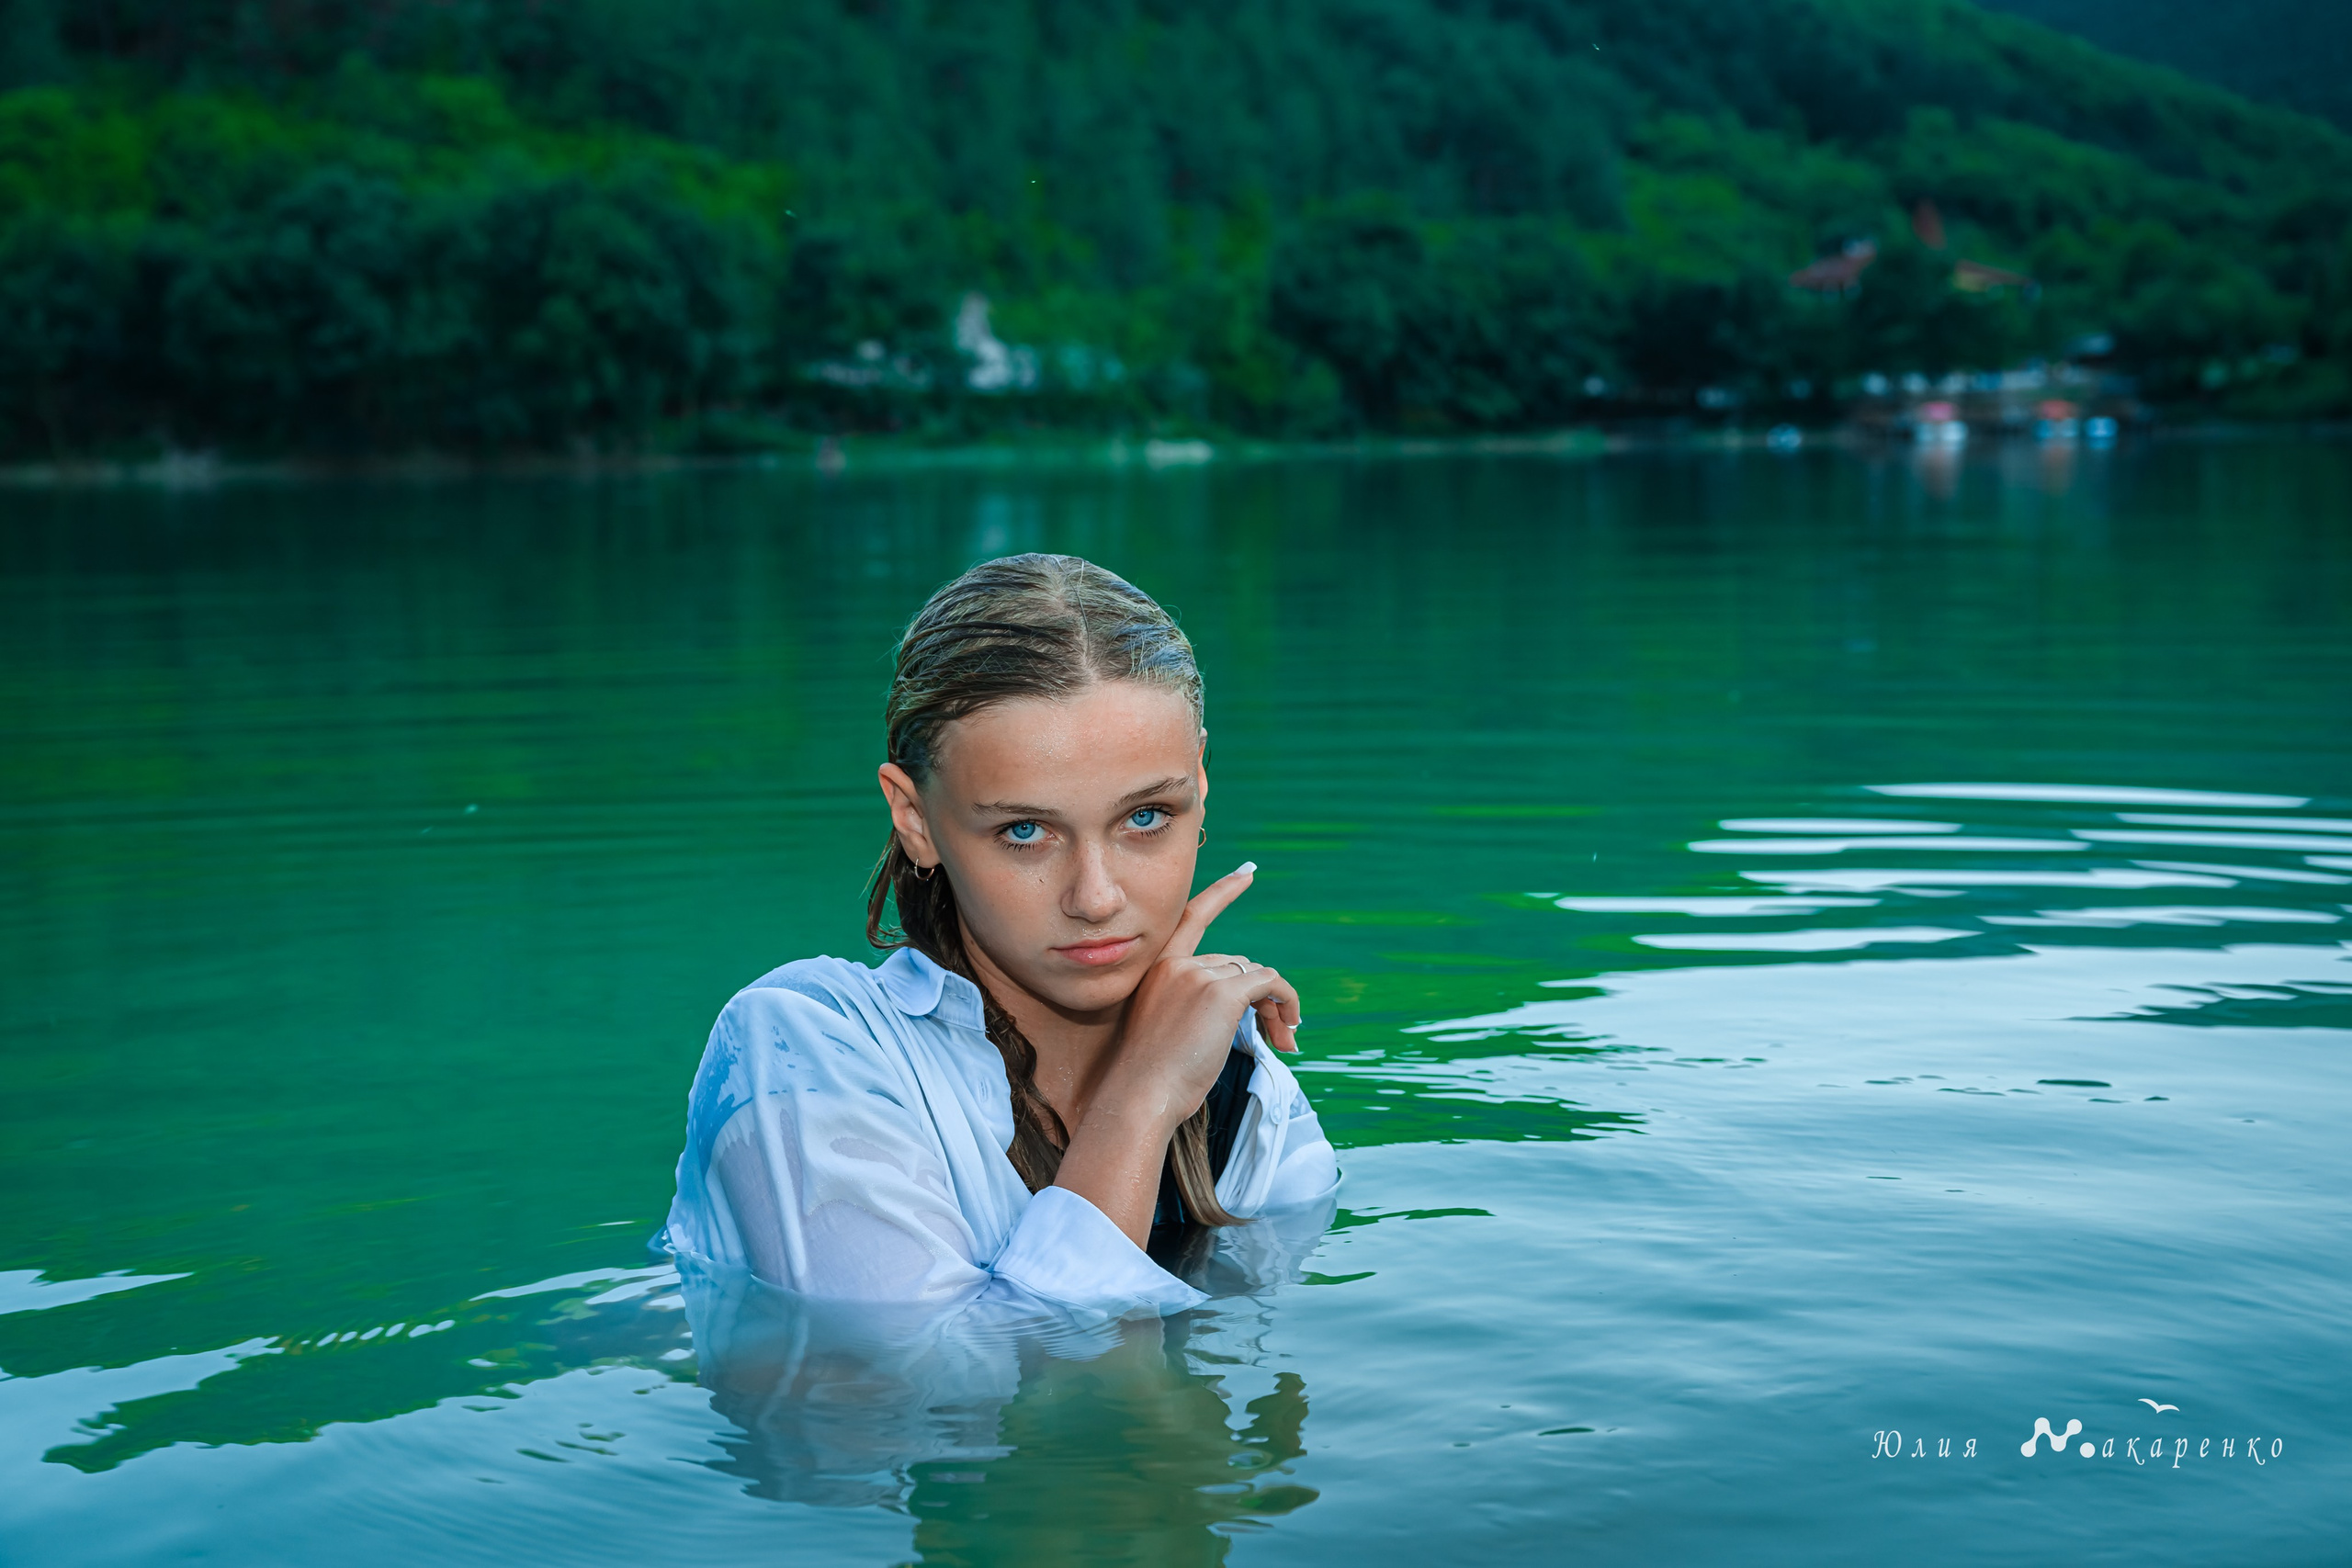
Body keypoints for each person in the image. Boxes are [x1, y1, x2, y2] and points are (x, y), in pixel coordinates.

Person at [659, 554, 1339, 1320]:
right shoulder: (797, 1050)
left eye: (1146, 816)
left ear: (1201, 784)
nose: (1096, 897)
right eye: (1024, 830)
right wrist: (1140, 1101)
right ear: (915, 818)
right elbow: (954, 1399)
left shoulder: (1242, 1083)